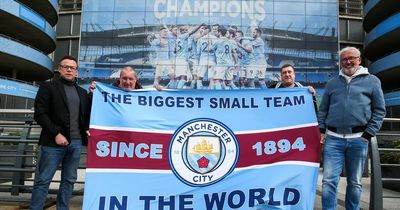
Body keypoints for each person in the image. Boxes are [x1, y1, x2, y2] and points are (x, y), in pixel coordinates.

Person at [318, 47, 386, 210]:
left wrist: (369, 133)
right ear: (340, 62)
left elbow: (379, 110)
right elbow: (323, 109)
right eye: (344, 59)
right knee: (328, 181)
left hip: (359, 139)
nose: (348, 62)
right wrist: (321, 130)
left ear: (359, 60)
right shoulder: (332, 82)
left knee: (355, 182)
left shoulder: (372, 81)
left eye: (351, 58)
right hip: (333, 139)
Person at [30, 55, 90, 210]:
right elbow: (40, 114)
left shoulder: (83, 93)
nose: (69, 69)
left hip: (76, 143)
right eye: (66, 66)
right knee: (43, 180)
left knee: (69, 180)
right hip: (52, 142)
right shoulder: (47, 87)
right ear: (59, 69)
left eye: (73, 67)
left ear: (77, 72)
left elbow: (87, 116)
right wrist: (56, 134)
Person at [89, 66, 162, 92]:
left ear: (135, 80)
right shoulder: (107, 93)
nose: (127, 82)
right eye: (124, 78)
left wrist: (160, 93)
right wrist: (92, 95)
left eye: (130, 79)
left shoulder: (144, 96)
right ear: (119, 79)